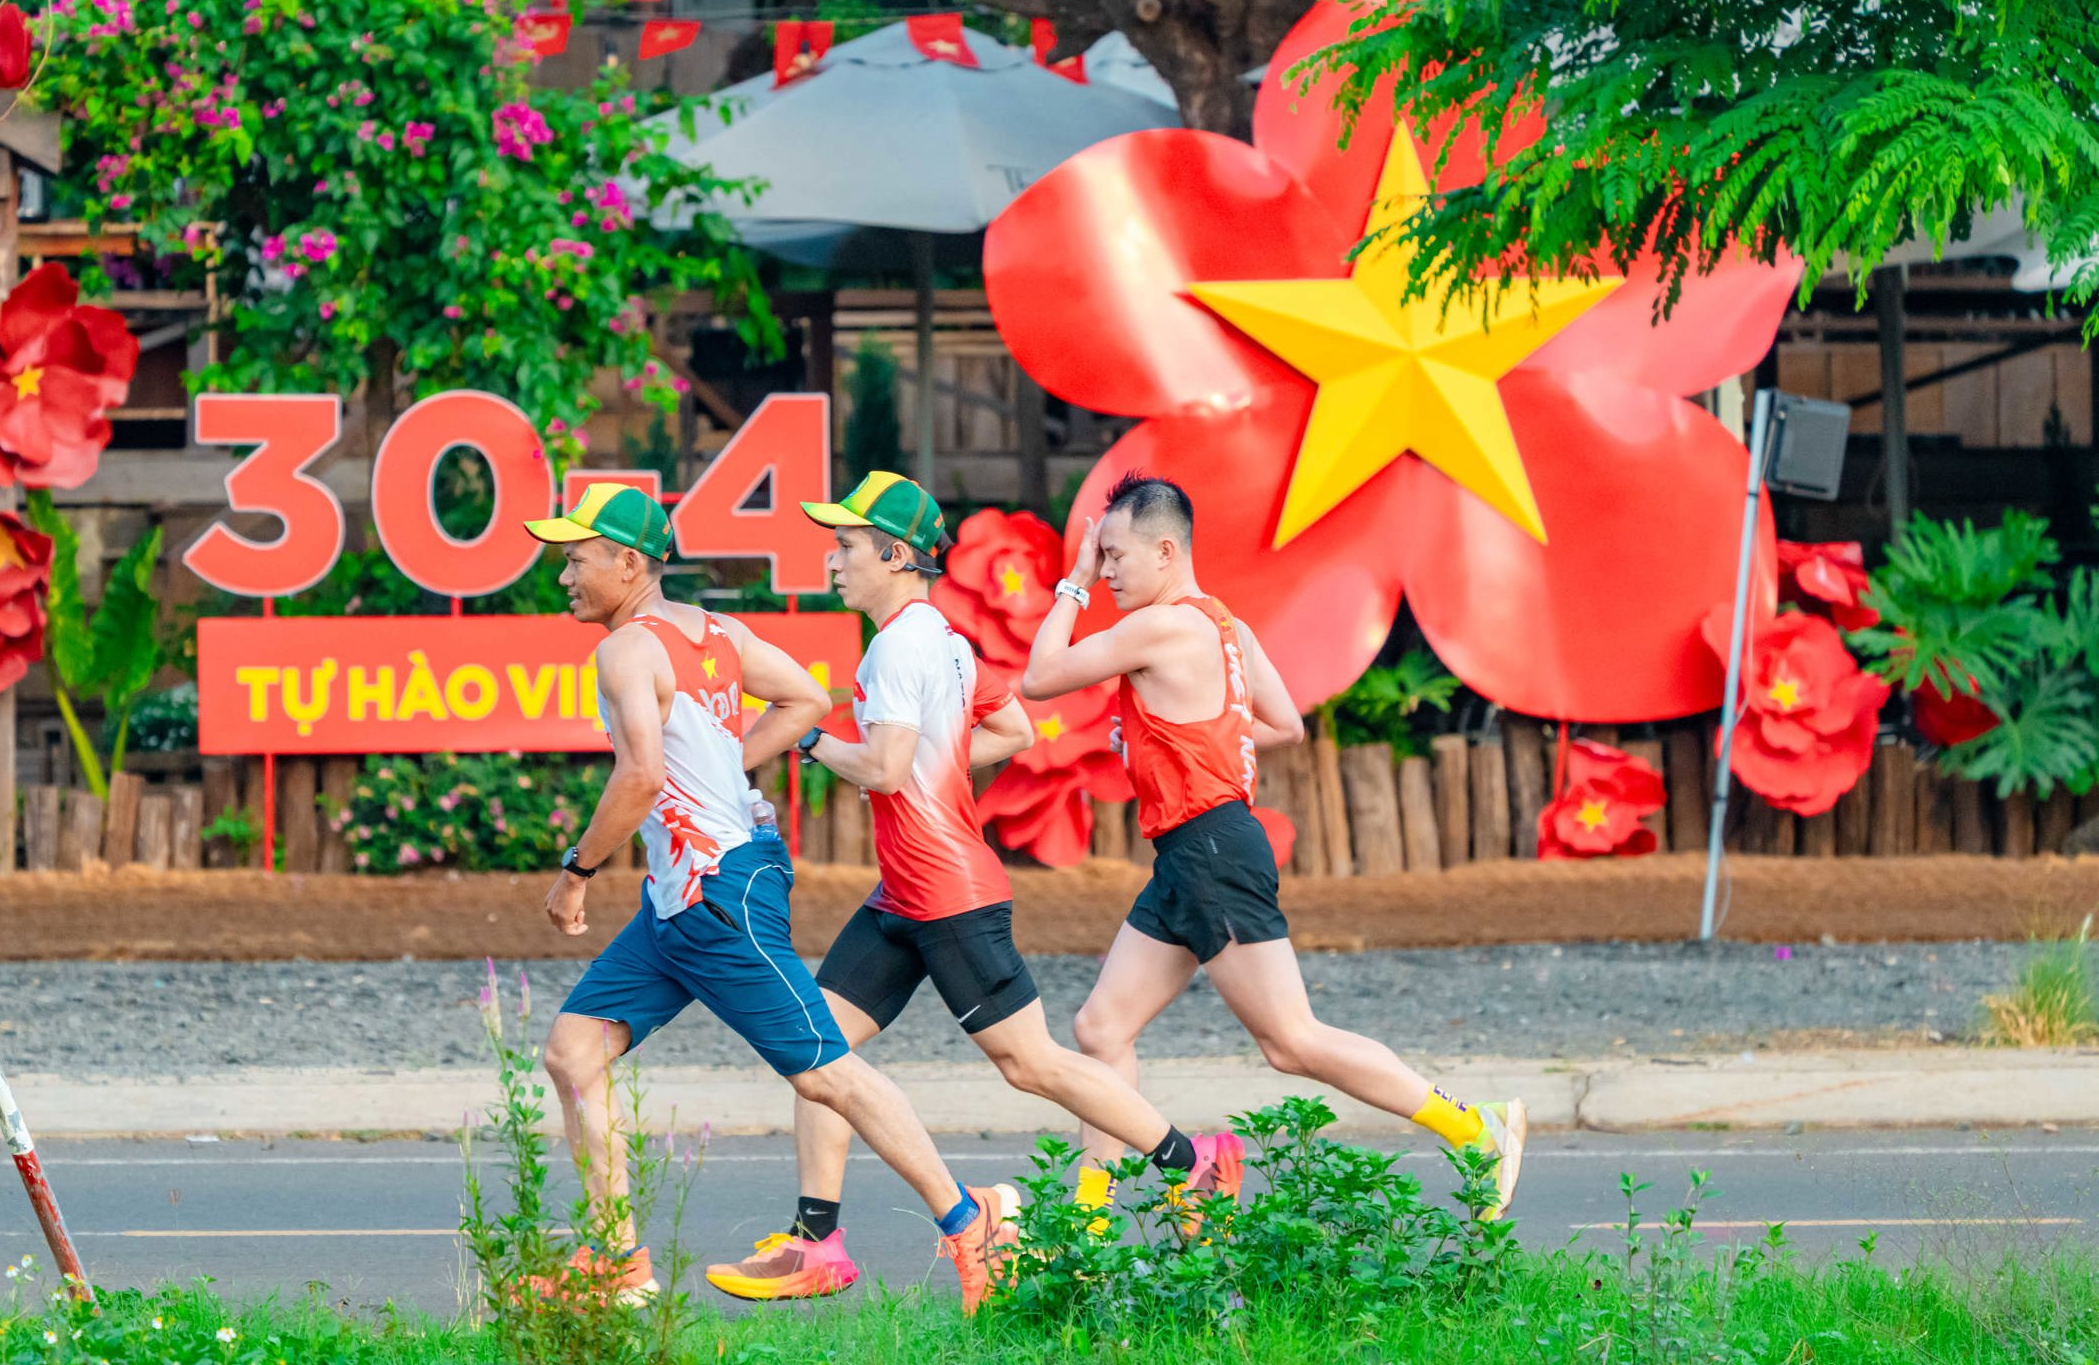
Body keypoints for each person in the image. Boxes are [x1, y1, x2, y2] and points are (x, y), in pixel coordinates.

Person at [703, 474, 1241, 1303]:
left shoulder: (900, 648)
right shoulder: (943, 640)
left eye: (846, 546)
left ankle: (1193, 1163)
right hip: (904, 894)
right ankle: (817, 1244)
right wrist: (936, 760)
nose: (833, 562)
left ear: (894, 554)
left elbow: (885, 769)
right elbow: (1012, 729)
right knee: (816, 1052)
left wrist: (807, 739)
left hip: (948, 894)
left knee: (1031, 1064)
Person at [523, 482, 1020, 1311]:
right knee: (573, 1052)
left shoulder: (626, 651)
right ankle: (615, 1264)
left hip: (718, 895)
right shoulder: (718, 634)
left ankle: (972, 1223)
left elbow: (640, 776)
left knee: (827, 1074)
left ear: (630, 564)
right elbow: (806, 700)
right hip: (682, 898)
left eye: (577, 561)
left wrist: (576, 872)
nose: (565, 576)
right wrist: (729, 769)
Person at [1020, 472, 1527, 1219]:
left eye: (1115, 555)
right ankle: (1090, 1227)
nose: (1108, 570)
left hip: (1210, 851)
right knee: (1101, 1029)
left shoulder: (1158, 626)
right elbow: (1283, 725)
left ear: (1166, 552)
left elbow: (1039, 677)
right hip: (1192, 854)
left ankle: (1476, 1129)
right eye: (1102, 558)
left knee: (1292, 1041)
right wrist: (1173, 740)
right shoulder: (1229, 628)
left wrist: (1073, 582)